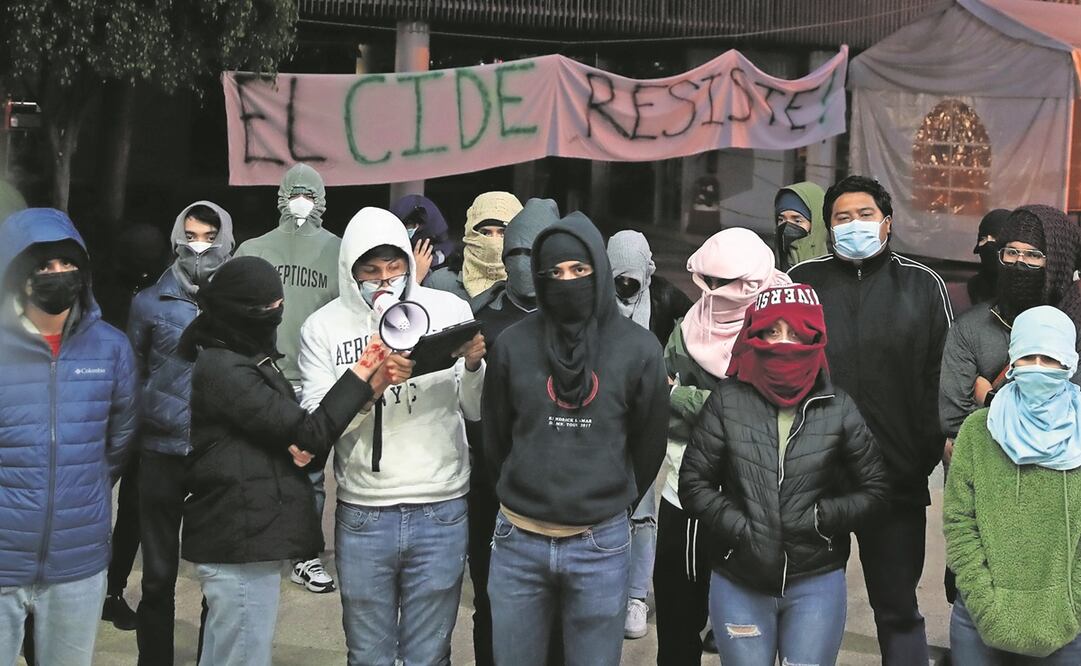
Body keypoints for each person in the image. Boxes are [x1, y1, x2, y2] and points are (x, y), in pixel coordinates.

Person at [177, 255, 409, 666]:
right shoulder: (225, 367)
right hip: (238, 540)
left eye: (277, 305)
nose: (274, 315)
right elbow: (309, 432)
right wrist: (366, 365)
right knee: (242, 655)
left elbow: (297, 435)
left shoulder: (241, 356)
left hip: (248, 536)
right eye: (265, 309)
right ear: (237, 312)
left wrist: (304, 436)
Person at [298, 206, 486, 665]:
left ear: (408, 263)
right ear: (350, 270)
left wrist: (476, 364)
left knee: (429, 655)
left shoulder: (448, 309)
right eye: (371, 270)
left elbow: (475, 408)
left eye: (395, 267)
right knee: (368, 656)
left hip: (440, 506)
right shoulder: (322, 327)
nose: (384, 280)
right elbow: (316, 427)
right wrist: (371, 383)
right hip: (365, 511)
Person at [483, 211, 669, 666]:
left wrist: (611, 497)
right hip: (518, 542)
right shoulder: (512, 344)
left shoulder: (638, 349)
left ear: (599, 272)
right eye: (555, 273)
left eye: (579, 270)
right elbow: (494, 438)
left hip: (599, 545)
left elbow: (649, 445)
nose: (567, 282)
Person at [789, 175, 952, 665]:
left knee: (898, 608)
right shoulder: (802, 284)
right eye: (842, 218)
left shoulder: (923, 286)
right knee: (809, 607)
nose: (854, 225)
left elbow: (941, 380)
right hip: (816, 482)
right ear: (828, 227)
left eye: (864, 215)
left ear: (887, 223)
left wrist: (919, 456)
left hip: (894, 484)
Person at [680, 282, 888, 666]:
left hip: (816, 580)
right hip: (739, 578)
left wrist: (822, 517)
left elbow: (875, 489)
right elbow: (693, 484)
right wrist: (741, 528)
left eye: (795, 333)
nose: (783, 343)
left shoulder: (838, 407)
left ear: (814, 337)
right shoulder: (728, 401)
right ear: (753, 335)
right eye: (771, 331)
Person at [0, 208, 137, 666]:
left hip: (77, 562)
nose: (58, 275)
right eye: (43, 266)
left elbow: (118, 441)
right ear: (18, 275)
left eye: (67, 264)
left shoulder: (112, 347)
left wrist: (84, 487)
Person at [654, 226, 790, 665]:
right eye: (706, 282)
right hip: (686, 494)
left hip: (759, 499)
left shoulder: (786, 322)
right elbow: (660, 400)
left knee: (749, 632)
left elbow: (768, 412)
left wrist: (686, 397)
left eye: (721, 283)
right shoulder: (692, 323)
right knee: (678, 618)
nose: (711, 292)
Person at [944, 305, 1081, 663]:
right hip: (979, 620)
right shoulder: (978, 431)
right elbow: (959, 522)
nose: (1037, 367)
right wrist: (983, 605)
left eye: (1049, 359)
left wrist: (1074, 606)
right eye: (1027, 357)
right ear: (1012, 362)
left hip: (1067, 627)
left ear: (1070, 363)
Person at [130, 201, 234, 665]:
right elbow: (131, 374)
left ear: (226, 240)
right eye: (191, 234)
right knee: (156, 577)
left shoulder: (236, 300)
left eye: (210, 236)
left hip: (216, 451)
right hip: (160, 449)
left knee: (218, 578)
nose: (199, 244)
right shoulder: (149, 302)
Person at [234, 163, 342, 594]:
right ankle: (256, 545)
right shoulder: (253, 249)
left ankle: (305, 554)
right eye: (294, 191)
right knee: (256, 467)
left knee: (311, 474)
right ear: (281, 194)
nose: (301, 198)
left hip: (315, 376)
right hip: (263, 375)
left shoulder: (339, 251)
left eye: (309, 192)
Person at [467, 197, 560, 666]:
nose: (522, 264)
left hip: (560, 492)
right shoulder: (481, 319)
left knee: (558, 614)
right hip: (491, 487)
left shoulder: (579, 321)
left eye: (533, 254)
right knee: (491, 602)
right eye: (514, 254)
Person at [606, 229, 693, 639]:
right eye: (616, 276)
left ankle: (636, 595)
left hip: (647, 420)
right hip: (603, 419)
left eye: (632, 277)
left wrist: (673, 374)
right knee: (604, 508)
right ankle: (605, 589)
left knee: (642, 512)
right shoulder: (594, 298)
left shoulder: (662, 297)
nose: (625, 286)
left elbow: (693, 326)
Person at [93, 222, 170, 631]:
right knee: (91, 504)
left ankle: (111, 590)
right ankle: (92, 589)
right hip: (99, 411)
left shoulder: (159, 293)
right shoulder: (100, 289)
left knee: (134, 510)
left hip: (141, 415)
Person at [428, 191, 523, 301]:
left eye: (503, 233)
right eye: (485, 233)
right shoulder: (441, 284)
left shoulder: (531, 287)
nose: (494, 241)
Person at [390, 194, 457, 279]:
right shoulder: (398, 215)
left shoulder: (436, 230)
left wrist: (420, 265)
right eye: (408, 225)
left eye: (416, 225)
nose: (412, 228)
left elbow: (445, 248)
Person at [774, 181, 828, 271]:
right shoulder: (766, 272)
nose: (787, 226)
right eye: (781, 220)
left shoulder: (835, 274)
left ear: (817, 224)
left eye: (797, 221)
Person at [966, 208, 1011, 307]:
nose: (989, 244)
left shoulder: (1025, 295)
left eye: (996, 238)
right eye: (984, 239)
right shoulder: (964, 293)